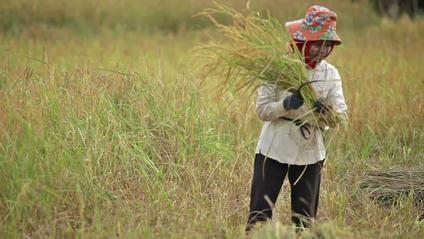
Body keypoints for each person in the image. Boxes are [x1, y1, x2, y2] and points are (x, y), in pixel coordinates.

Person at [246, 5, 348, 232]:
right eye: (317, 44)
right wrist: (285, 105)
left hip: (310, 151)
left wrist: (327, 112)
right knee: (259, 214)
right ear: (303, 41)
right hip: (274, 148)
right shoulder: (277, 68)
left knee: (304, 219)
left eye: (327, 45)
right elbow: (262, 110)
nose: (322, 51)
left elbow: (342, 117)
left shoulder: (330, 74)